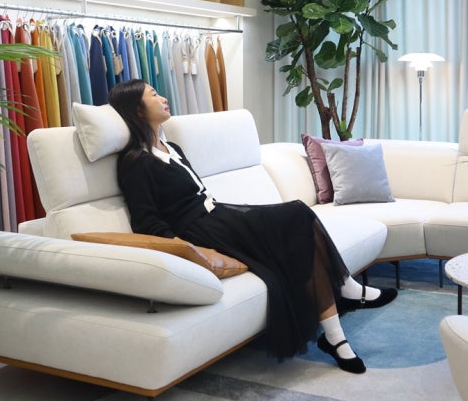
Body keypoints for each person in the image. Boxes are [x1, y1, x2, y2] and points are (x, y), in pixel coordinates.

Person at [108, 79, 397, 373]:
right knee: (297, 214)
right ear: (138, 110)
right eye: (154, 95)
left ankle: (337, 331)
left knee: (300, 223)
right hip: (200, 230)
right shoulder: (136, 162)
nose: (163, 98)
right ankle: (344, 300)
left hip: (217, 213)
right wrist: (186, 250)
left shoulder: (172, 147)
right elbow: (146, 221)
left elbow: (201, 194)